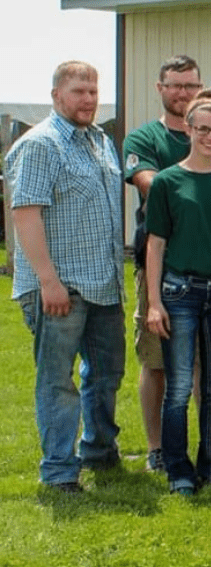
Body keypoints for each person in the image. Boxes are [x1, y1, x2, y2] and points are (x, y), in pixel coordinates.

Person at [7, 61, 125, 492]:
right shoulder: (42, 144)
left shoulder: (100, 142)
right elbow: (25, 214)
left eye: (93, 91)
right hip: (62, 288)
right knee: (58, 381)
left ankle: (99, 450)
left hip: (104, 283)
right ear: (56, 94)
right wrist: (47, 280)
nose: (88, 99)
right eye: (78, 91)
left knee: (107, 374)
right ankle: (59, 470)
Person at [123, 55, 211, 472]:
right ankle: (158, 448)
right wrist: (188, 182)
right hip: (161, 269)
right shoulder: (143, 138)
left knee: (203, 370)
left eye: (191, 85)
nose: (183, 92)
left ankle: (207, 448)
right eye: (175, 85)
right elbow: (149, 182)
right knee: (157, 361)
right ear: (160, 88)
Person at [143, 96, 211, 494]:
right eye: (202, 128)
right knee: (177, 389)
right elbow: (155, 244)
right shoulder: (168, 182)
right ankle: (179, 469)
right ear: (188, 130)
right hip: (180, 293)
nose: (210, 136)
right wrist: (155, 302)